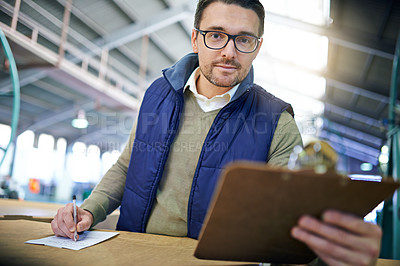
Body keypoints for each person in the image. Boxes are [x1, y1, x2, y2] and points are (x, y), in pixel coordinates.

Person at [52, 0, 382, 265]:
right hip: (136, 251)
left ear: (257, 46)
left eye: (244, 39)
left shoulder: (276, 120)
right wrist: (89, 210)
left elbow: (290, 216)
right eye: (216, 34)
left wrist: (329, 247)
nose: (229, 51)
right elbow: (127, 166)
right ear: (196, 38)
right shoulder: (158, 95)